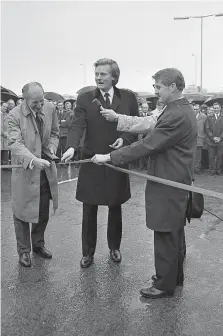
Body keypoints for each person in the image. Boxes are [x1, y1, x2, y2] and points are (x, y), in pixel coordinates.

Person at [92, 68, 197, 299]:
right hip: (175, 179)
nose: (156, 92)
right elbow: (147, 127)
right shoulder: (177, 109)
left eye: (158, 87)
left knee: (165, 231)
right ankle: (173, 278)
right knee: (174, 231)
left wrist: (110, 157)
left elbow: (148, 145)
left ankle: (163, 285)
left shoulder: (175, 114)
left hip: (168, 181)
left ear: (172, 87)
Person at [62, 58, 139, 268]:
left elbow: (135, 124)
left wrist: (125, 138)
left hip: (116, 159)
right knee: (89, 209)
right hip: (92, 160)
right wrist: (71, 147)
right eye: (96, 74)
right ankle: (88, 253)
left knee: (115, 206)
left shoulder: (129, 98)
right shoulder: (85, 98)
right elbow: (77, 125)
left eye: (103, 74)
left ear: (114, 76)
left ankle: (114, 247)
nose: (98, 78)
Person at [7, 82, 59, 267]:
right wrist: (32, 160)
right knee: (21, 212)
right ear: (25, 100)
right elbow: (15, 144)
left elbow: (54, 133)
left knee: (42, 210)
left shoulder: (51, 108)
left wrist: (51, 148)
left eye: (41, 101)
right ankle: (24, 251)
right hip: (25, 171)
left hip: (44, 170)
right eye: (35, 102)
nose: (40, 105)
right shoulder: (13, 116)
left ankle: (38, 244)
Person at [204, 102, 223, 175]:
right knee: (211, 156)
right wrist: (213, 138)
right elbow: (207, 128)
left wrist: (220, 138)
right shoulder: (209, 117)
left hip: (221, 141)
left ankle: (218, 170)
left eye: (217, 108)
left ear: (220, 108)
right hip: (211, 141)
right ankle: (212, 170)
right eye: (214, 108)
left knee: (220, 156)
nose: (216, 109)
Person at [192, 104, 207, 174]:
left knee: (198, 156)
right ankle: (191, 169)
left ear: (199, 109)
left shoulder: (204, 117)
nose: (195, 110)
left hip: (200, 138)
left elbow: (206, 128)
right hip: (191, 139)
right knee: (191, 155)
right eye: (194, 109)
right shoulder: (190, 115)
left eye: (196, 109)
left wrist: (204, 137)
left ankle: (197, 169)